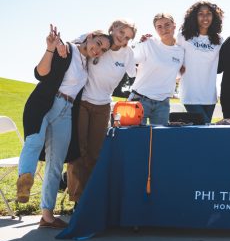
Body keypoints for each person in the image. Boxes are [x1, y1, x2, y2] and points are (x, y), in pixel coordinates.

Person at [16, 25, 111, 228]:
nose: (98, 50)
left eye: (103, 50)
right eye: (98, 44)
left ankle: (47, 215)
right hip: (45, 104)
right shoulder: (66, 50)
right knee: (34, 141)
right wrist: (51, 48)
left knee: (56, 163)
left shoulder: (86, 63)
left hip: (66, 112)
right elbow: (40, 74)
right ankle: (25, 181)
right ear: (91, 36)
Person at [65, 19, 137, 204]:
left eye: (128, 37)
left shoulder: (127, 53)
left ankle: (93, 197)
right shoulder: (97, 42)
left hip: (103, 105)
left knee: (96, 153)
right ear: (113, 28)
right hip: (82, 102)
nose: (123, 39)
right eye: (121, 33)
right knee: (79, 152)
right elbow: (74, 47)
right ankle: (77, 200)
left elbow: (136, 72)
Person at [129, 13, 184, 125]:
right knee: (135, 138)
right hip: (140, 100)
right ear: (155, 29)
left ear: (174, 26)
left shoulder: (180, 51)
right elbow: (130, 60)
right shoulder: (148, 43)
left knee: (160, 140)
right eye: (159, 26)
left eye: (167, 24)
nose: (164, 29)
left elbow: (176, 76)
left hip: (163, 103)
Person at [177, 1, 224, 123]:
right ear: (194, 17)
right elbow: (169, 51)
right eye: (200, 14)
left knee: (204, 131)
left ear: (214, 17)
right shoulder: (183, 36)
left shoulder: (219, 40)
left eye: (208, 13)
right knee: (204, 126)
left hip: (209, 95)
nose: (205, 17)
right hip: (190, 94)